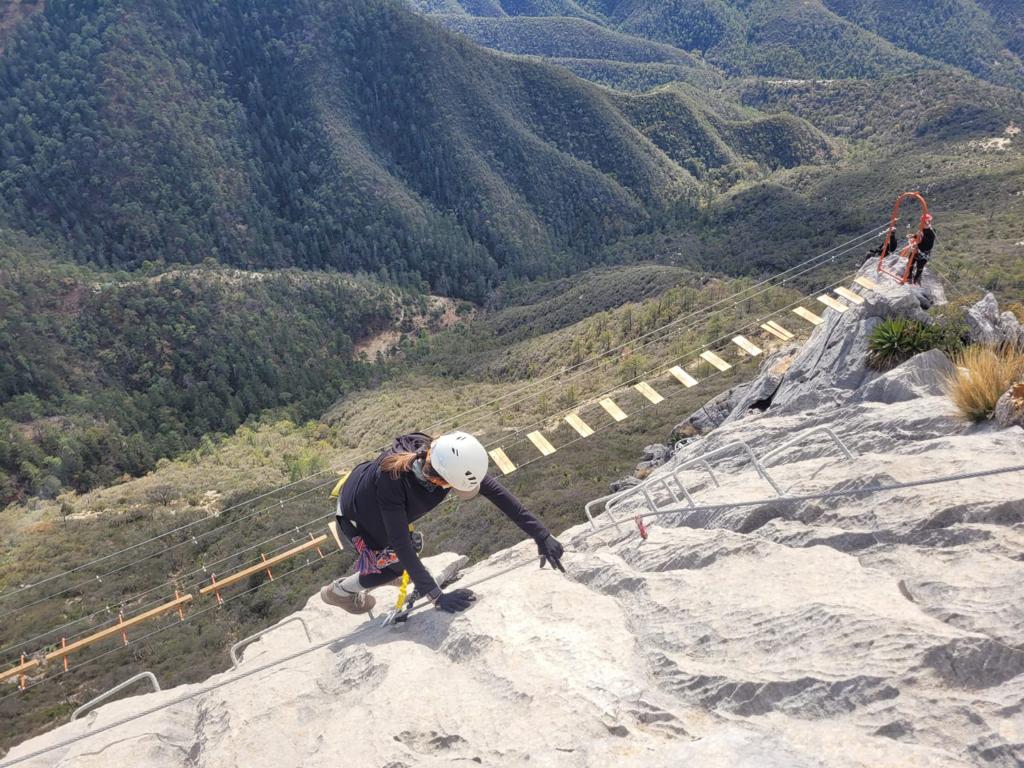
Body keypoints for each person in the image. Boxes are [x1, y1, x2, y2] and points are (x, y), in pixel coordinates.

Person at [320, 431, 566, 614]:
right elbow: (400, 543)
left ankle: (398, 573)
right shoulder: (393, 481)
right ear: (440, 481)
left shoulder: (439, 455)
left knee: (410, 548)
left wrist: (541, 535)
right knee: (395, 564)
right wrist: (437, 597)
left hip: (370, 499)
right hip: (357, 520)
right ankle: (340, 592)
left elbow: (497, 493)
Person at [911, 214, 935, 285]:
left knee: (920, 267)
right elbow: (919, 237)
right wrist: (914, 236)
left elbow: (927, 240)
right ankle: (909, 275)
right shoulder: (921, 229)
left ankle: (915, 280)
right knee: (911, 262)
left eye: (924, 222)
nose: (923, 223)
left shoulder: (932, 231)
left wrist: (920, 235)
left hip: (925, 252)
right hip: (918, 250)